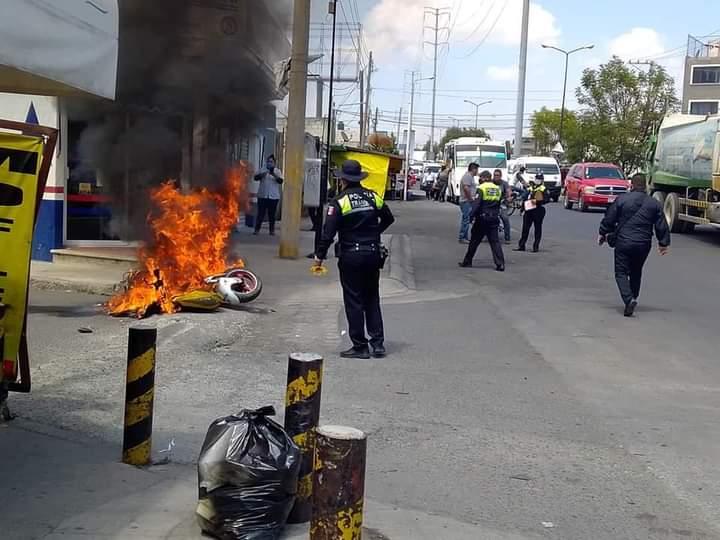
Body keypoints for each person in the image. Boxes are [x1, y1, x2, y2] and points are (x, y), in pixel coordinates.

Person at [315, 160, 395, 359]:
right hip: (373, 254)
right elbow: (389, 218)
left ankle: (360, 346)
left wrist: (319, 256)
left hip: (351, 256)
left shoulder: (340, 201)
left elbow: (328, 233)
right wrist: (373, 233)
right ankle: (378, 344)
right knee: (372, 298)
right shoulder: (373, 197)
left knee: (354, 301)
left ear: (342, 180)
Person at [598, 173, 670, 317]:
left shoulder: (622, 200)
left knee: (621, 272)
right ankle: (633, 297)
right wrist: (663, 243)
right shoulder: (654, 203)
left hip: (623, 242)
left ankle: (629, 299)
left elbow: (609, 218)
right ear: (645, 186)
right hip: (643, 243)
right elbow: (661, 224)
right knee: (636, 271)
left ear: (631, 185)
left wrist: (603, 232)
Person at [459, 171, 505, 271]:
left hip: (482, 219)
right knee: (495, 242)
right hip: (494, 218)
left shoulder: (481, 188)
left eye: (481, 178)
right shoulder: (497, 189)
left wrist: (471, 216)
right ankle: (500, 264)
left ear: (485, 178)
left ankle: (467, 261)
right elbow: (498, 204)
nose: (479, 180)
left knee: (474, 241)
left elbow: (477, 204)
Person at [515, 172, 548, 252]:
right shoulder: (531, 187)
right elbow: (526, 197)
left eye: (539, 179)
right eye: (537, 178)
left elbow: (546, 200)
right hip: (529, 210)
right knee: (525, 229)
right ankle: (522, 245)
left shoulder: (543, 189)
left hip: (538, 210)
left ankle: (535, 247)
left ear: (542, 180)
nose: (538, 180)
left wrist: (536, 201)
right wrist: (522, 208)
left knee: (537, 229)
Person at [253, 155, 284, 235]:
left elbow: (280, 181)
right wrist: (263, 174)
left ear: (274, 163)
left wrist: (273, 174)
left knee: (272, 215)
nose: (269, 163)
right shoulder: (262, 169)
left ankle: (271, 230)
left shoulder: (277, 171)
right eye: (268, 161)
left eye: (271, 162)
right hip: (262, 196)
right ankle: (257, 229)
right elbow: (255, 178)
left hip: (273, 197)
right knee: (260, 214)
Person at [458, 163, 479, 243]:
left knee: (467, 219)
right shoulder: (467, 176)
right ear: (473, 169)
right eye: (477, 169)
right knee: (466, 219)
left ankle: (465, 236)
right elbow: (466, 188)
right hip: (466, 201)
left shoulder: (470, 177)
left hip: (467, 201)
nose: (477, 171)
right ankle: (463, 237)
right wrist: (470, 199)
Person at [493, 169, 513, 244]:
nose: (496, 177)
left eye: (497, 175)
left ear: (500, 176)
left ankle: (507, 238)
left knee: (505, 219)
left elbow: (509, 191)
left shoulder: (504, 183)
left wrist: (509, 197)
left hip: (502, 204)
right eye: (494, 175)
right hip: (492, 204)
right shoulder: (491, 183)